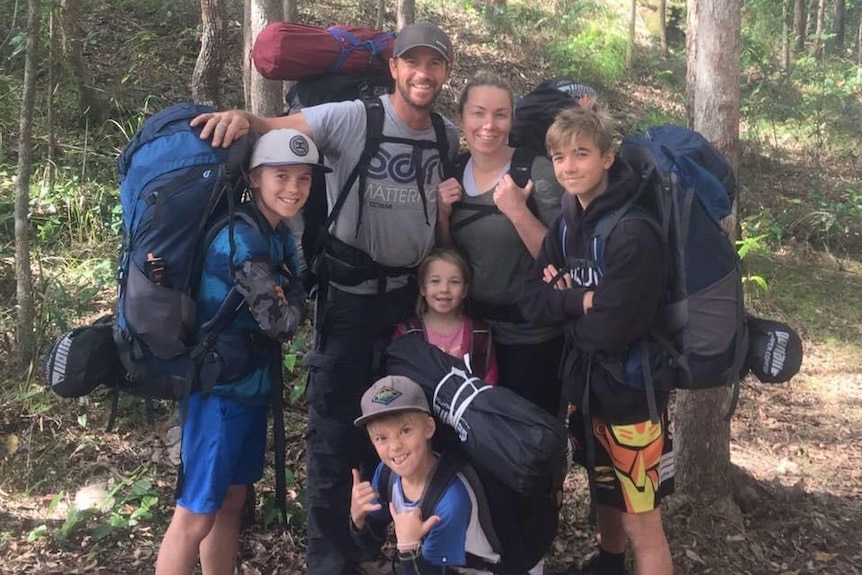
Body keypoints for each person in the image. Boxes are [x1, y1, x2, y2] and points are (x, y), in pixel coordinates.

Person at [191, 21, 461, 575]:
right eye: (413, 62)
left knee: (394, 425)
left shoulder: (445, 135)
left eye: (434, 64)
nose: (423, 73)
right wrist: (245, 119)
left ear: (445, 73)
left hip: (405, 308)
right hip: (346, 303)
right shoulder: (355, 117)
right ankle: (327, 558)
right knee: (335, 431)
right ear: (394, 67)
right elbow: (279, 125)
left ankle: (369, 542)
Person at [154, 129, 326, 575]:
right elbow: (281, 322)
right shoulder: (242, 239)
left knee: (230, 501)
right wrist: (291, 292)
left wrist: (289, 288)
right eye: (281, 176)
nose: (293, 188)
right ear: (254, 179)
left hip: (248, 384)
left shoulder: (277, 232)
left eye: (303, 179)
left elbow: (291, 293)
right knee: (195, 512)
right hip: (219, 389)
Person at [518, 105, 674, 575]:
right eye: (559, 156)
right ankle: (608, 563)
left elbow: (610, 330)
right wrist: (580, 301)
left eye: (581, 154)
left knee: (642, 519)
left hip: (631, 396)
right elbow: (531, 297)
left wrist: (567, 299)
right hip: (587, 388)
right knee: (605, 488)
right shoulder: (567, 222)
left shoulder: (633, 233)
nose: (569, 166)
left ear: (607, 158)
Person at [435, 71, 565, 416]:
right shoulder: (452, 171)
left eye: (500, 114)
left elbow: (562, 260)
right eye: (478, 113)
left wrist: (517, 211)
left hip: (532, 341)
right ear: (461, 117)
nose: (488, 125)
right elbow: (450, 260)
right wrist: (442, 217)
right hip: (470, 337)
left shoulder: (536, 172)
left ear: (511, 119)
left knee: (531, 444)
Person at [349, 374, 487, 574]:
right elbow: (371, 543)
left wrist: (408, 546)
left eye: (405, 431)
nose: (395, 446)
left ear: (429, 427)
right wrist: (358, 521)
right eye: (381, 437)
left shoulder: (451, 501)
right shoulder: (387, 473)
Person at [393, 247, 499, 383]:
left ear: (465, 290)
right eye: (435, 281)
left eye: (454, 282)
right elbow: (399, 383)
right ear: (422, 288)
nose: (444, 289)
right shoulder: (407, 332)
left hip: (469, 403)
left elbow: (489, 384)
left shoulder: (480, 334)